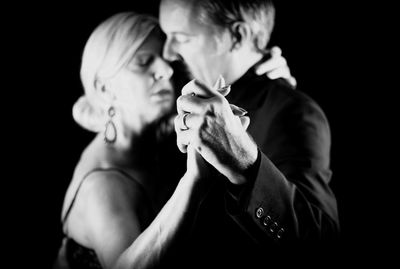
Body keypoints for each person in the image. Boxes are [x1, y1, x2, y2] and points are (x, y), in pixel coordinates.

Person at [53, 11, 295, 269]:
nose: (166, 70)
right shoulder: (102, 185)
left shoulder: (161, 133)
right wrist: (194, 179)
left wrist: (267, 78)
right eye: (143, 62)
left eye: (167, 59)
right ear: (104, 88)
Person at [159, 0, 340, 265]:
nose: (167, 53)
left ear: (237, 36)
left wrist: (244, 163)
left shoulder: (292, 111)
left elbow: (320, 242)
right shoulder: (173, 89)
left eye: (181, 38)